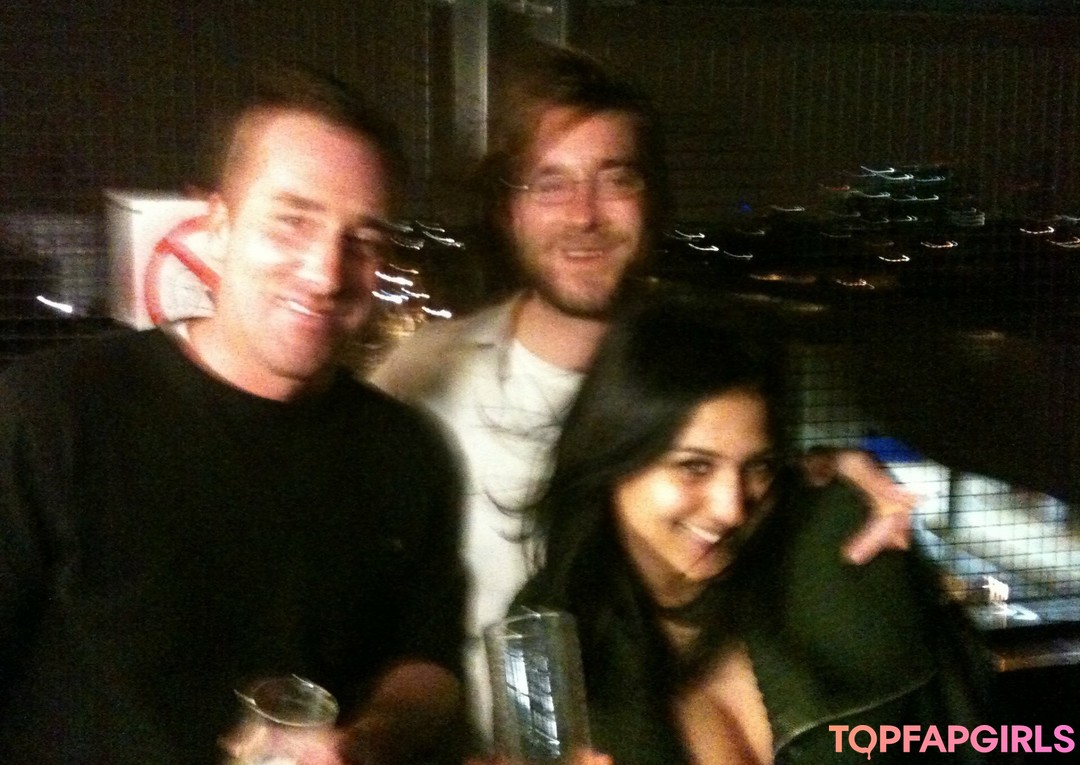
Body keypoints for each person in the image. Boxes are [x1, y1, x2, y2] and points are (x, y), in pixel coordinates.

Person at [370, 45, 915, 742]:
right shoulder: (420, 377)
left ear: (651, 199)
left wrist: (823, 481)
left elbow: (748, 514)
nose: (584, 215)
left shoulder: (718, 367)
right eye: (550, 183)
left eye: (615, 179)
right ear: (507, 209)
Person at [0, 66, 466, 764]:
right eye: (292, 222)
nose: (326, 273)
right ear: (216, 226)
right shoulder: (55, 413)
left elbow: (426, 662)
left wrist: (364, 743)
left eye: (363, 240)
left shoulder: (405, 450)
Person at [512, 292, 992, 764]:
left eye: (758, 466)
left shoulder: (845, 546)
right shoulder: (544, 643)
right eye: (694, 467)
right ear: (611, 459)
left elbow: (970, 735)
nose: (732, 510)